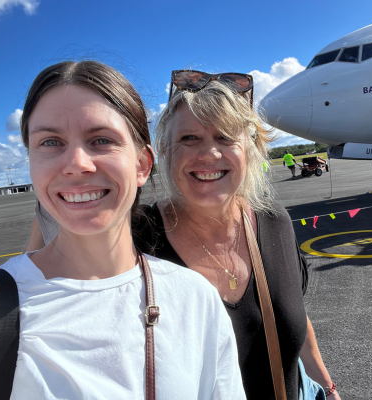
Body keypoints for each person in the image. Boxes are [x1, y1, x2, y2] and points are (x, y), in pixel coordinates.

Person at [0, 61, 245, 399]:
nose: (77, 163)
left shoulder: (195, 299)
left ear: (142, 165)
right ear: (31, 162)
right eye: (50, 142)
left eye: (101, 139)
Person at [26, 69, 341, 400]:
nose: (209, 154)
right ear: (163, 150)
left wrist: (328, 387)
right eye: (189, 139)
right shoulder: (130, 237)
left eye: (225, 137)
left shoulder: (275, 223)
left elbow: (294, 317)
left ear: (250, 148)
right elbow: (39, 300)